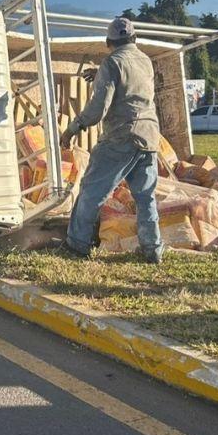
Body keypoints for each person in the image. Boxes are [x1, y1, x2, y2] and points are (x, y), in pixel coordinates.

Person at [59, 17, 165, 264]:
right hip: (149, 135)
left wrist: (73, 128)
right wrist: (101, 75)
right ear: (135, 38)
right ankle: (152, 248)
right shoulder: (146, 61)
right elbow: (132, 84)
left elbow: (98, 109)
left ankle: (77, 245)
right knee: (145, 196)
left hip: (122, 136)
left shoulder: (112, 62)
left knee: (92, 191)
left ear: (108, 42)